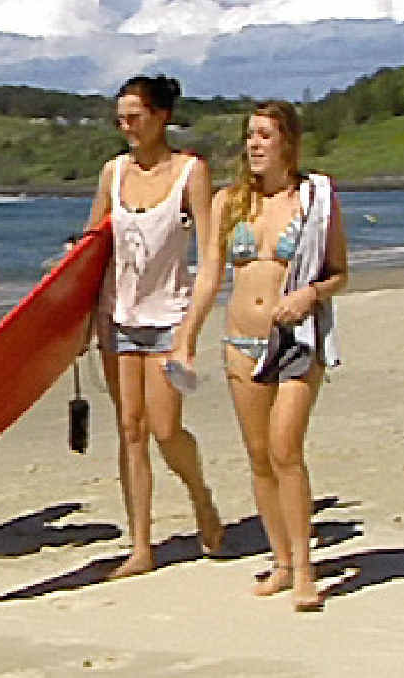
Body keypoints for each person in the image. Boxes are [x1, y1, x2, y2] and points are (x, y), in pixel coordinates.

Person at [172, 100, 347, 611]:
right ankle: (283, 561)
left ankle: (306, 570)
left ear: (288, 142)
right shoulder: (229, 202)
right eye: (250, 135)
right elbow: (208, 276)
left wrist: (309, 295)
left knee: (285, 449)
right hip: (240, 342)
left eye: (265, 136)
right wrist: (187, 337)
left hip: (295, 341)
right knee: (258, 456)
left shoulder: (316, 200)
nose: (254, 144)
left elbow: (339, 270)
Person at [84, 75, 223, 578]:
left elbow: (210, 256)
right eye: (120, 119)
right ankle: (140, 546)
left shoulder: (192, 173)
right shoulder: (113, 172)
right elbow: (90, 247)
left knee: (165, 430)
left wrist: (191, 328)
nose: (126, 128)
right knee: (130, 430)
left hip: (169, 318)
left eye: (135, 117)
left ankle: (201, 498)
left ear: (161, 116)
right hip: (117, 317)